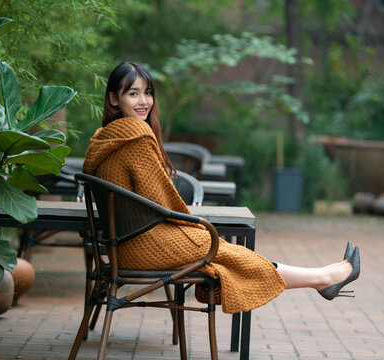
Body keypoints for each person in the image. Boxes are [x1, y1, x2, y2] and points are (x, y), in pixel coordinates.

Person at [82, 61, 360, 314]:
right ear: (113, 99)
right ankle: (323, 278)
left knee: (228, 256)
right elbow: (163, 202)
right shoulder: (136, 137)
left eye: (148, 93)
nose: (144, 101)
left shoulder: (103, 139)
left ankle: (323, 278)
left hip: (120, 248)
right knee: (224, 250)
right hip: (143, 248)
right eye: (133, 93)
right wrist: (193, 224)